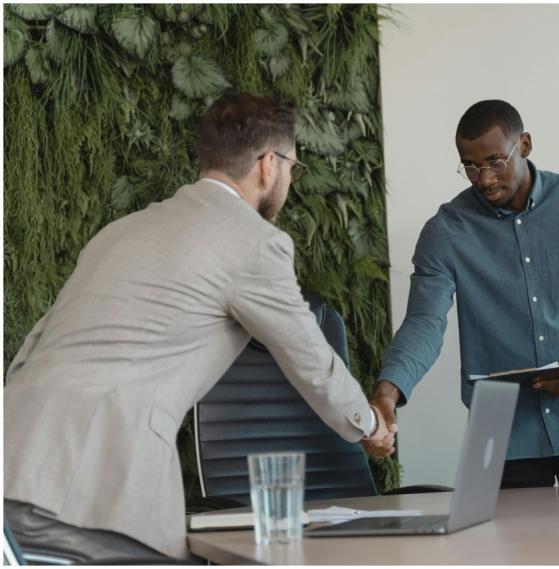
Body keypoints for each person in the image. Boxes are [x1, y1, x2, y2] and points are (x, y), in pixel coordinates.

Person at [4, 92, 396, 562]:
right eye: (293, 166)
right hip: (91, 491)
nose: (290, 179)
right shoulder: (255, 243)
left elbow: (32, 347)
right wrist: (371, 424)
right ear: (268, 164)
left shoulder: (119, 231)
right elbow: (311, 360)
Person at [362, 100, 559, 488]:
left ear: (525, 145)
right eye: (470, 165)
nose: (484, 179)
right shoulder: (446, 232)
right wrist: (386, 395)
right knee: (505, 550)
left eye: (496, 161)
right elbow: (424, 324)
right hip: (499, 430)